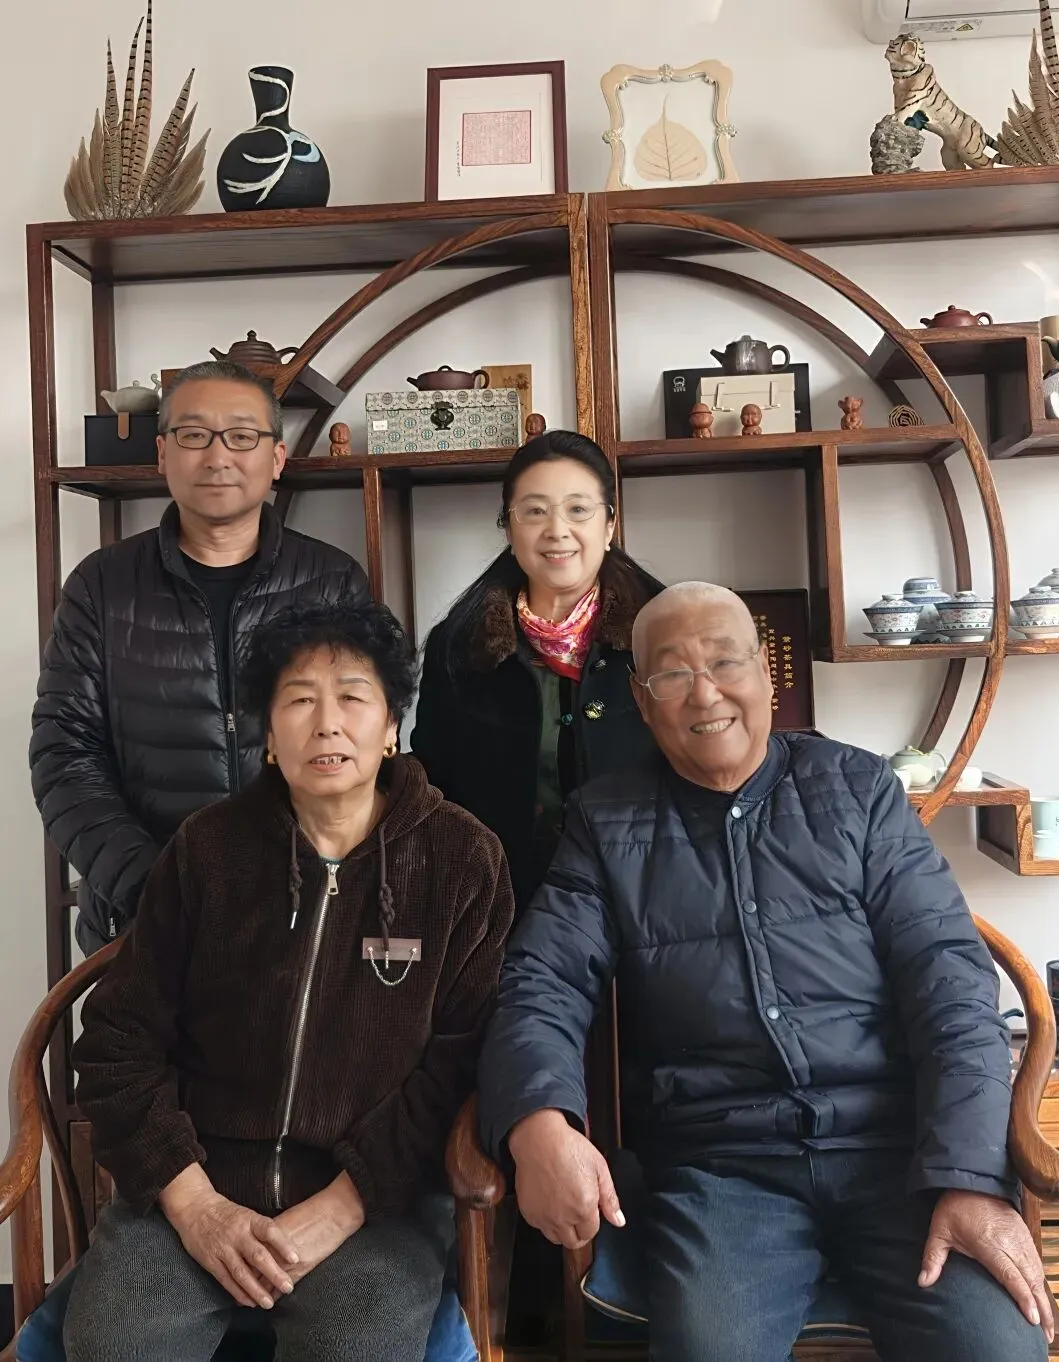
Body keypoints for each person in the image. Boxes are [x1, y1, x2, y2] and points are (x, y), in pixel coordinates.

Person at [478, 581, 1052, 1362]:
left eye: (725, 661)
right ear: (642, 701)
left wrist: (970, 1178)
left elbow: (950, 982)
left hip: (900, 1153)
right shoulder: (606, 822)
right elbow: (541, 983)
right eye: (673, 673)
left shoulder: (858, 791)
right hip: (723, 1170)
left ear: (765, 673)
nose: (704, 692)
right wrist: (538, 1121)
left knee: (996, 1348)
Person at [64, 598, 514, 1362]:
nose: (327, 723)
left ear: (392, 725)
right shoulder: (207, 852)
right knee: (113, 1344)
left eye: (353, 697)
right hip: (196, 1180)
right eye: (300, 700)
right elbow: (118, 1041)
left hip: (376, 1200)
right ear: (268, 735)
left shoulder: (461, 859)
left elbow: (459, 1067)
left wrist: (343, 1205)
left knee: (352, 1348)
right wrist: (195, 1205)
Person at [30, 360, 369, 954]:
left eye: (241, 435)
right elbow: (65, 753)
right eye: (193, 435)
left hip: (303, 913)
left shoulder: (331, 581)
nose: (217, 457)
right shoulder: (102, 585)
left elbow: (362, 744)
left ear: (277, 458)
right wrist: (154, 888)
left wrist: (313, 877)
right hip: (144, 920)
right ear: (163, 454)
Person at [411, 430, 664, 908]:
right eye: (534, 511)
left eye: (578, 509)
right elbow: (435, 792)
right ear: (509, 528)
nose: (557, 530)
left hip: (643, 902)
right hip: (501, 906)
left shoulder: (662, 633)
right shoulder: (460, 645)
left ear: (609, 524)